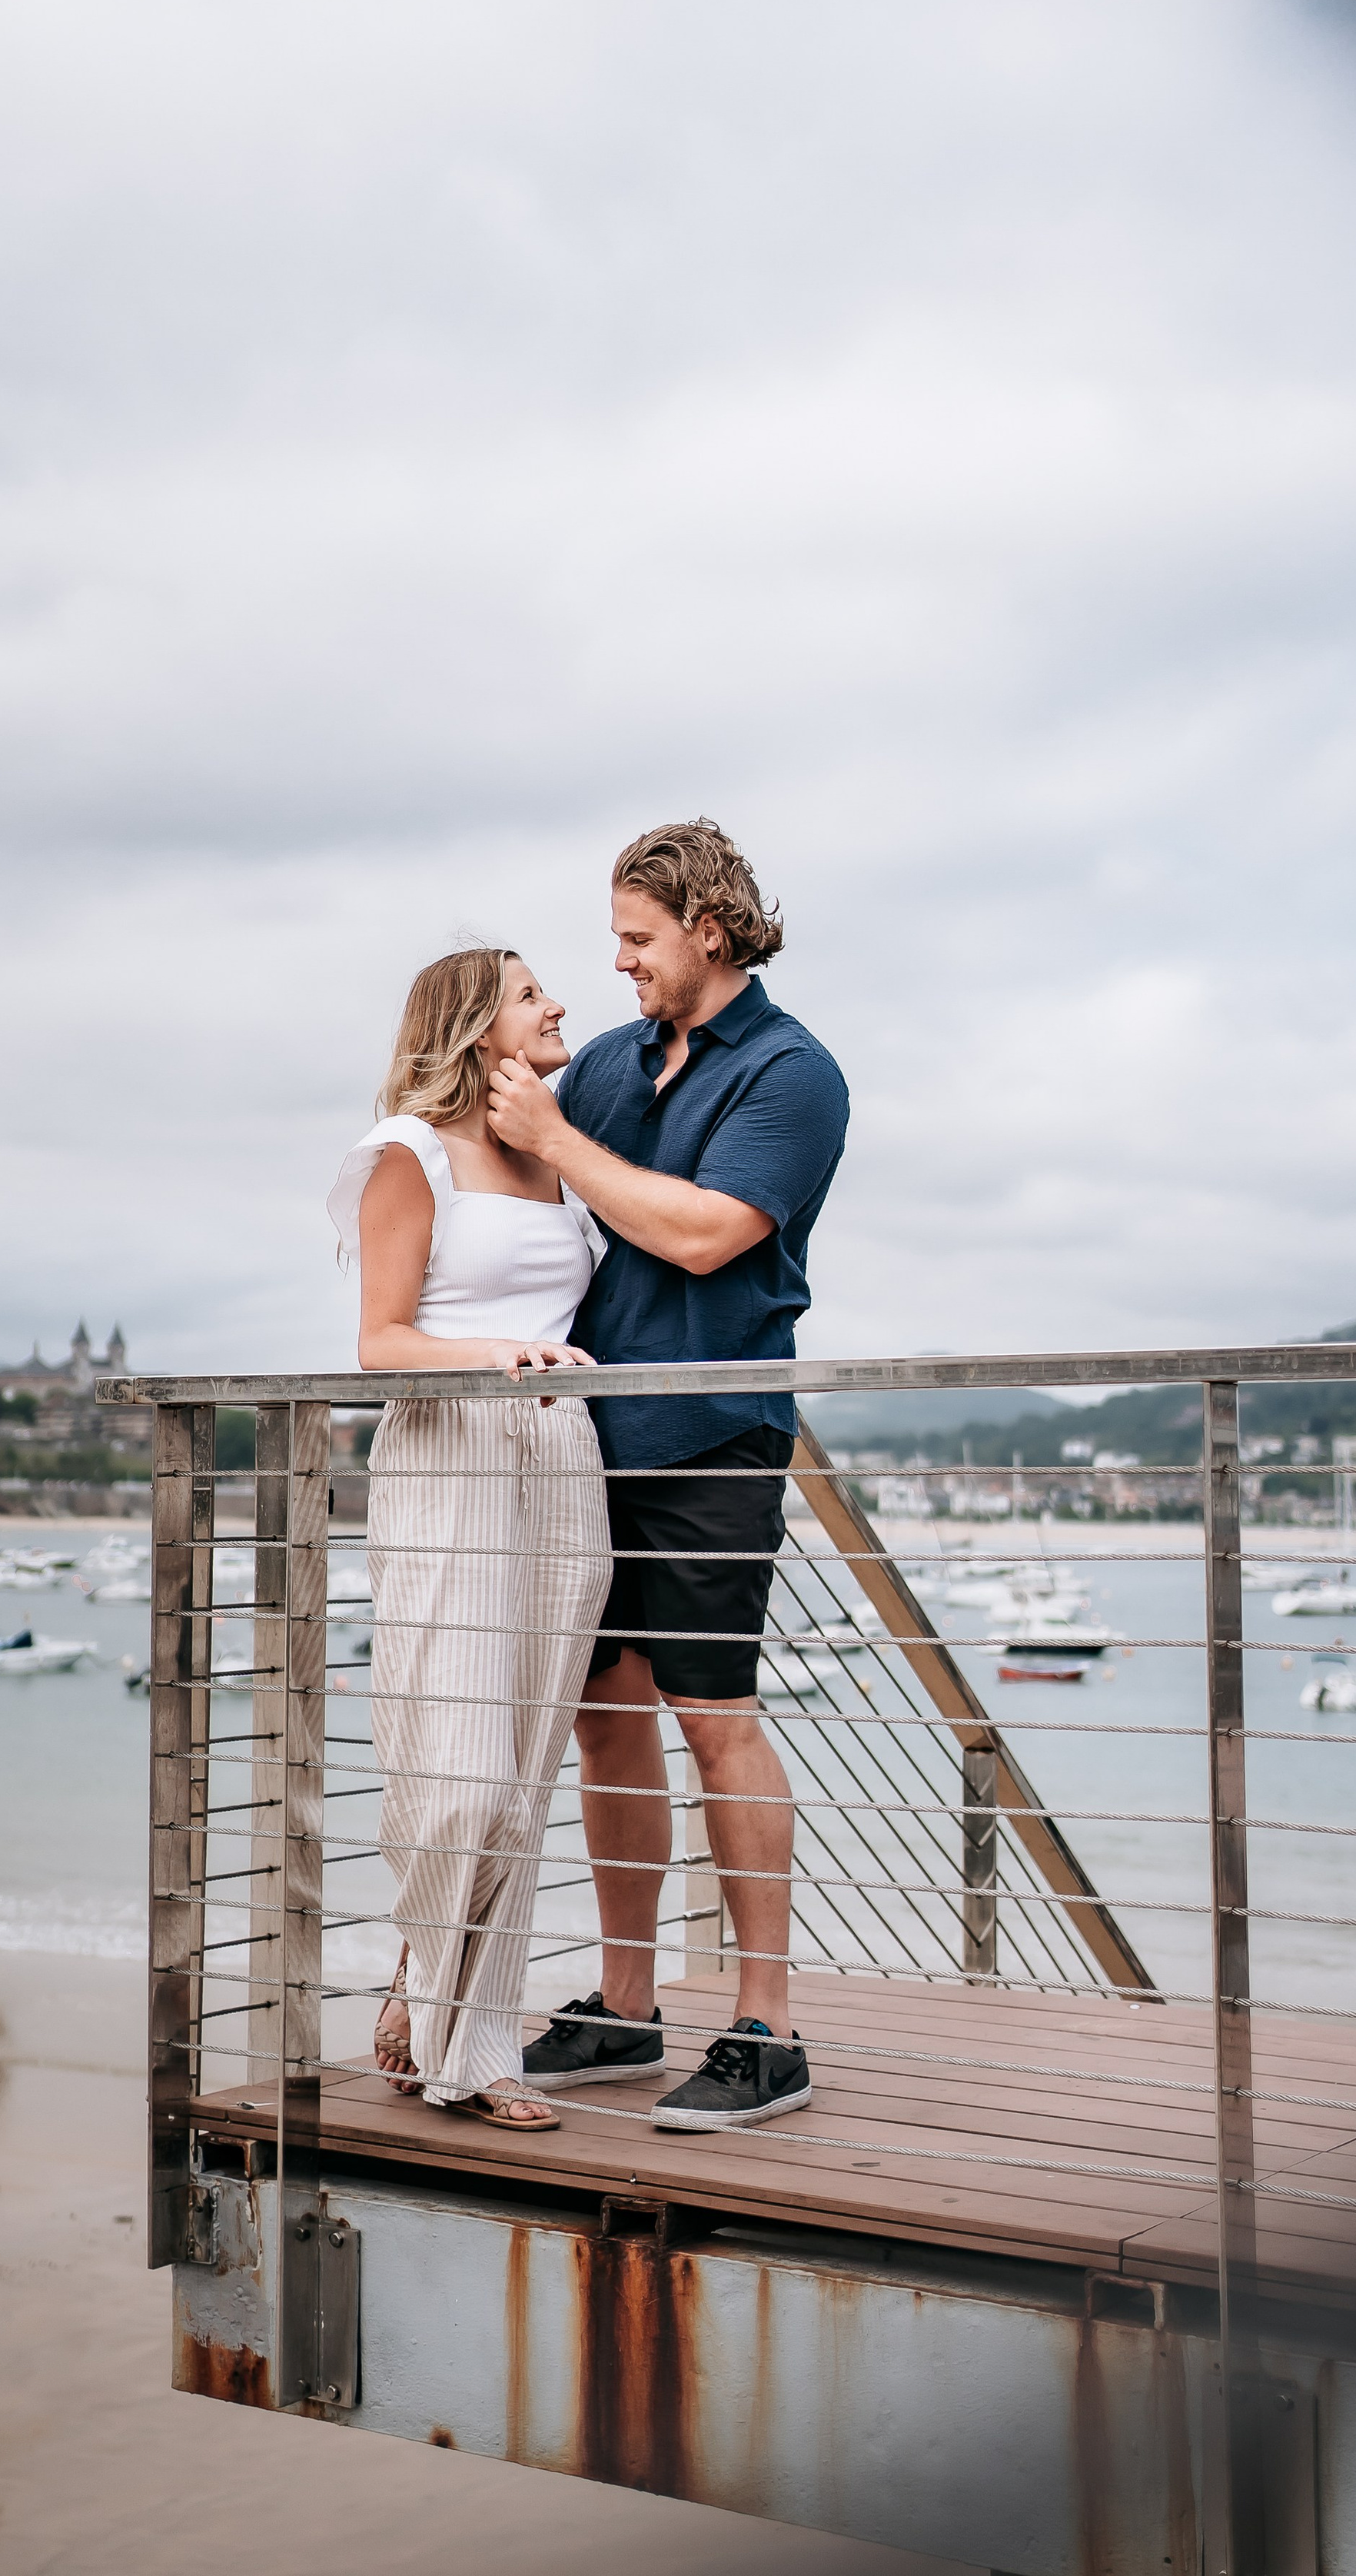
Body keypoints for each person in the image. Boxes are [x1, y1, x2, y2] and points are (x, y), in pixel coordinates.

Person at [485, 820, 849, 2131]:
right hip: (587, 1439)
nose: (621, 963)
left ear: (710, 926)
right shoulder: (613, 1063)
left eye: (638, 938)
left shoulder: (795, 1073)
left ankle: (767, 2027)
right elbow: (502, 1156)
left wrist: (563, 1142)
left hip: (712, 1433)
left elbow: (705, 1237)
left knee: (716, 1716)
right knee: (606, 1718)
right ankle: (629, 2005)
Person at [327, 947, 613, 2132]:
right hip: (451, 1449)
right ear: (474, 1023)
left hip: (561, 1460)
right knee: (460, 1774)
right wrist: (500, 1356)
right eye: (532, 991)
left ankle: (472, 2040)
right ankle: (423, 1979)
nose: (558, 1005)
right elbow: (381, 1342)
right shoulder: (408, 1152)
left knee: (528, 1770)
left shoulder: (558, 1154)